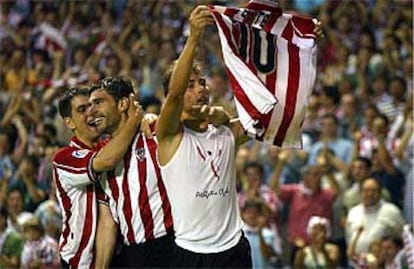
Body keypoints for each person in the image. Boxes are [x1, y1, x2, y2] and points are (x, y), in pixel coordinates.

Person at [155, 5, 252, 268]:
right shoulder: (168, 136)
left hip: (235, 250)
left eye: (202, 83)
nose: (201, 89)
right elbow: (174, 97)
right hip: (191, 253)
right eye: (190, 85)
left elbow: (265, 117)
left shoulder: (226, 132)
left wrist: (304, 50)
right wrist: (194, 37)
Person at [87, 77, 175, 268]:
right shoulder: (100, 158)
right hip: (134, 254)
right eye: (89, 105)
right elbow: (108, 220)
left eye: (99, 102)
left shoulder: (154, 132)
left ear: (123, 104)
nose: (91, 111)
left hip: (172, 245)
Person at [52, 87, 143, 268]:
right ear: (70, 123)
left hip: (119, 252)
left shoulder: (111, 146)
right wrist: (135, 120)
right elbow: (107, 160)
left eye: (93, 106)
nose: (90, 112)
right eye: (81, 110)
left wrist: (147, 120)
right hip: (81, 260)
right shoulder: (64, 158)